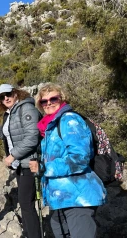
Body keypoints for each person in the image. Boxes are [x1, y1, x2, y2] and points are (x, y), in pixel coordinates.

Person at [29, 83, 106, 238]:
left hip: (77, 197)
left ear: (61, 99)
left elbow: (79, 158)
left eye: (53, 99)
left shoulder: (70, 120)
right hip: (60, 199)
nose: (49, 103)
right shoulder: (50, 127)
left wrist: (44, 168)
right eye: (44, 101)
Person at [0, 84, 42, 238]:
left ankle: (33, 234)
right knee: (25, 202)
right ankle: (28, 233)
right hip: (20, 164)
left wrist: (12, 155)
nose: (5, 98)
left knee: (26, 203)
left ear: (15, 92)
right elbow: (12, 134)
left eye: (8, 94)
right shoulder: (10, 113)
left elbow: (32, 137)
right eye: (2, 97)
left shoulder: (26, 108)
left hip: (29, 162)